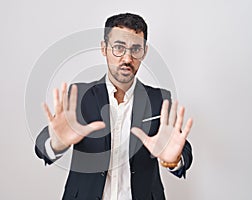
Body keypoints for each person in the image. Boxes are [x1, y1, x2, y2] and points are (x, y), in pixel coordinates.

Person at [35, 13, 193, 200]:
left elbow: (180, 148)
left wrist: (173, 160)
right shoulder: (80, 97)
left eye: (135, 49)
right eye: (119, 47)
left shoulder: (158, 99)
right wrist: (56, 144)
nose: (127, 58)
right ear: (104, 48)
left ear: (144, 52)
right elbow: (42, 146)